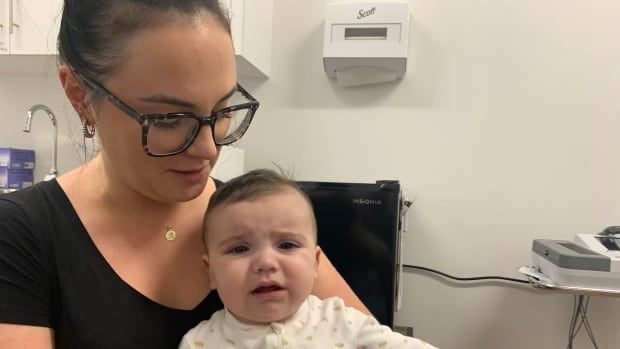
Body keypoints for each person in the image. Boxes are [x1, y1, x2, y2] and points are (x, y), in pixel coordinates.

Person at [0, 1, 369, 348]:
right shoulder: (21, 235)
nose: (209, 149)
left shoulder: (258, 224)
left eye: (223, 110)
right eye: (170, 119)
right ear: (80, 96)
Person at [179, 169, 438, 349]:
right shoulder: (200, 342)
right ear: (211, 272)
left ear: (315, 262)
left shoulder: (343, 321)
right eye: (239, 249)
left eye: (287, 244)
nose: (266, 263)